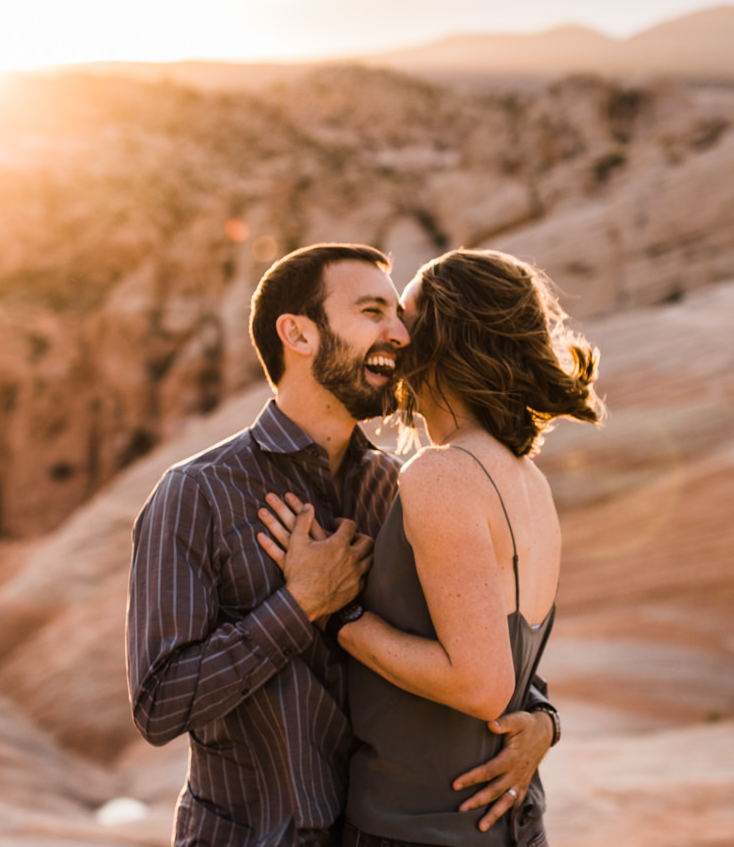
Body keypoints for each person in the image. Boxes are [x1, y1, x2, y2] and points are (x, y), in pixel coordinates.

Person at [128, 244, 558, 847]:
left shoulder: (394, 484)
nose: (400, 334)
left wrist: (542, 718)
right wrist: (298, 605)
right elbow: (158, 706)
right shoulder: (197, 494)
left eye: (398, 315)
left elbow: (475, 630)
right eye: (372, 312)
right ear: (298, 334)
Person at [259, 249, 601, 847]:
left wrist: (339, 614)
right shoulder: (527, 478)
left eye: (406, 317)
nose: (391, 334)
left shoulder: (442, 473)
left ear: (443, 338)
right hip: (507, 825)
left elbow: (481, 685)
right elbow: (508, 658)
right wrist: (545, 722)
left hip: (418, 827)